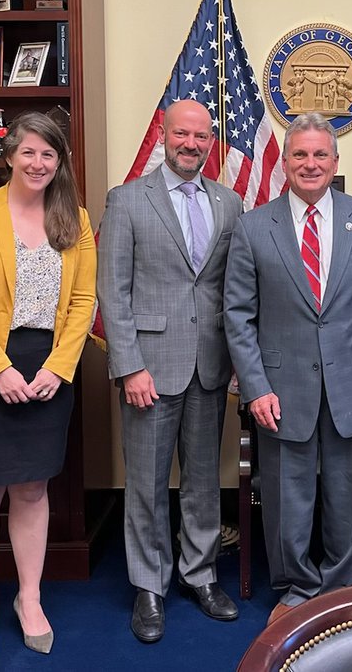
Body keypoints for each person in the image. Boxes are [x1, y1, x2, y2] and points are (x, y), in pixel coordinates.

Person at [224, 112, 352, 624]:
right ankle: (298, 588)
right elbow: (238, 315)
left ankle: (340, 590)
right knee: (287, 495)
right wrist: (255, 387)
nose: (310, 163)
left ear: (335, 160)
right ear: (285, 161)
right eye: (300, 154)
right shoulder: (253, 226)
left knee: (349, 493)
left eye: (320, 154)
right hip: (280, 387)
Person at [0, 111, 96, 661]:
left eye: (48, 154)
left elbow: (82, 303)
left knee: (32, 488)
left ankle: (29, 598)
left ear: (60, 163)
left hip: (48, 368)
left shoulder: (73, 219)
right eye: (28, 152)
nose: (38, 163)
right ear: (9, 155)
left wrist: (57, 367)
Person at [97, 99, 243, 643]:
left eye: (200, 137)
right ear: (164, 134)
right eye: (181, 134)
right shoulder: (129, 200)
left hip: (210, 366)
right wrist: (128, 366)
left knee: (203, 482)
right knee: (147, 484)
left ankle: (201, 575)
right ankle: (150, 587)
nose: (190, 144)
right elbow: (112, 291)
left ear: (211, 142)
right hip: (149, 372)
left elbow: (231, 289)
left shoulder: (230, 204)